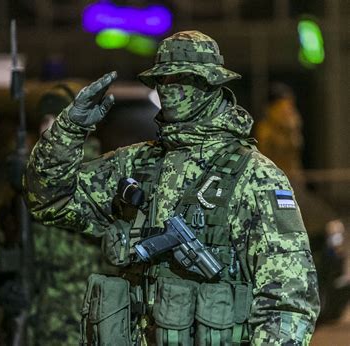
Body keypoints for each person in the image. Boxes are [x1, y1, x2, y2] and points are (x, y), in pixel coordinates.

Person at [24, 31, 320, 345]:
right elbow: (48, 199)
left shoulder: (254, 176)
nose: (168, 90)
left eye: (181, 78)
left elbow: (289, 301)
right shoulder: (136, 163)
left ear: (210, 83)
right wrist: (70, 129)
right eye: (161, 80)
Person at [0, 83, 105, 345]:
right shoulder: (23, 183)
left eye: (60, 120)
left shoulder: (98, 172)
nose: (50, 128)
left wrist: (32, 181)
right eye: (47, 120)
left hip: (78, 318)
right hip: (30, 320)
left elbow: (84, 208)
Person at [256, 82, 349, 323]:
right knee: (320, 231)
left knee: (326, 231)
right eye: (284, 104)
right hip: (284, 191)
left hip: (292, 188)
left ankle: (327, 276)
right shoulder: (272, 126)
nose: (289, 108)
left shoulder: (276, 125)